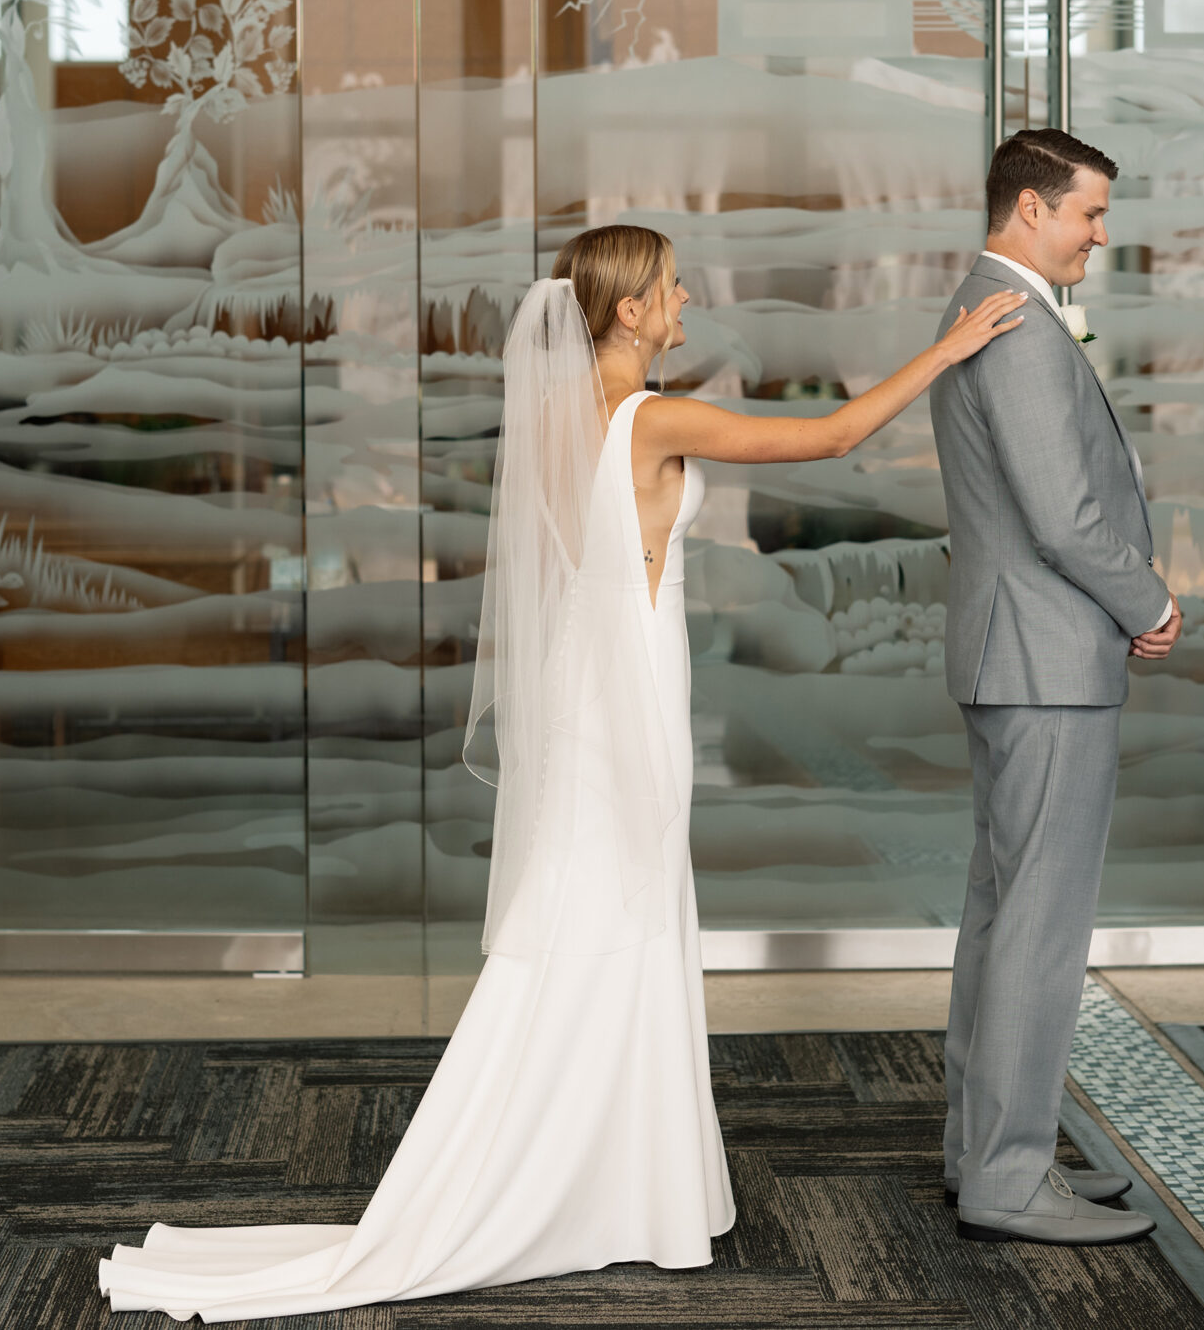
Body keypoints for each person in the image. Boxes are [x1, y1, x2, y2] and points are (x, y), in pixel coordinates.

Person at [99, 223, 1029, 1322]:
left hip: (591, 696)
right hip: (626, 703)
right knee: (612, 919)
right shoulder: (649, 417)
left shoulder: (551, 417)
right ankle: (574, 1182)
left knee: (593, 921)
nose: (686, 303)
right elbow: (827, 441)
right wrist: (950, 347)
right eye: (671, 290)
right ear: (627, 311)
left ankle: (618, 1184)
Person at [930, 127, 1179, 1247]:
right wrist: (1150, 602)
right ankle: (1008, 1178)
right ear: (1029, 209)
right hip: (1047, 659)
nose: (1099, 232)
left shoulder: (994, 307)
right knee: (1036, 928)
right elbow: (1064, 514)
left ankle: (983, 1151)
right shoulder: (1018, 325)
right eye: (1087, 212)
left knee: (1001, 919)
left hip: (1018, 653)